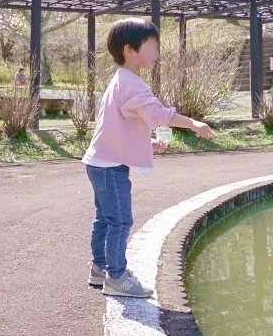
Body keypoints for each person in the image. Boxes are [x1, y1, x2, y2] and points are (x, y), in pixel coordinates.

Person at [82, 18, 214, 297]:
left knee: (105, 218)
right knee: (120, 220)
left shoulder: (123, 79)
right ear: (130, 50)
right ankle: (116, 276)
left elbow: (124, 123)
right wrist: (193, 123)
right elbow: (156, 114)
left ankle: (100, 268)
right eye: (152, 46)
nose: (157, 52)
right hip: (109, 166)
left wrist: (147, 143)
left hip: (100, 162)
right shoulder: (131, 83)